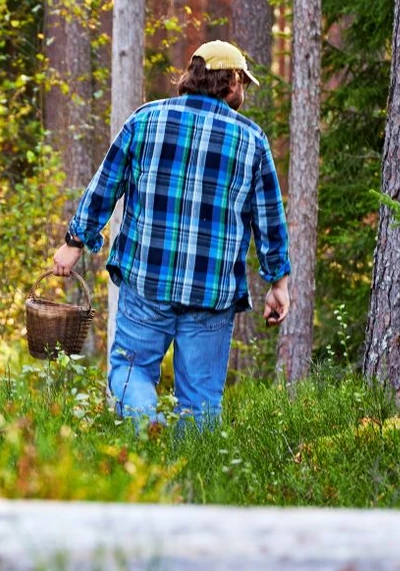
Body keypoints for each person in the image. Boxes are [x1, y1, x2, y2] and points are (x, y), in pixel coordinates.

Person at [51, 40, 292, 437]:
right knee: (200, 400)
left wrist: (75, 242)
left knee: (130, 372)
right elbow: (269, 218)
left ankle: (148, 432)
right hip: (211, 293)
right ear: (229, 81)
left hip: (147, 281)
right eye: (242, 83)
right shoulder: (251, 140)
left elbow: (105, 185)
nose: (243, 92)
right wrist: (277, 282)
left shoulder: (146, 120)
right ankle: (190, 485)